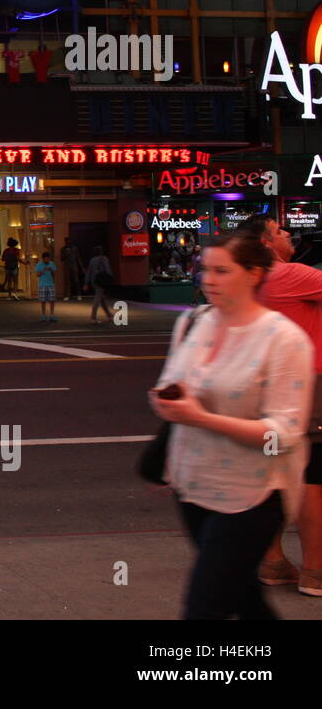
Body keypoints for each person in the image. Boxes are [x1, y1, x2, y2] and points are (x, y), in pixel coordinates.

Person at [149, 232, 313, 619]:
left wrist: (201, 417)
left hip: (252, 495)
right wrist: (168, 400)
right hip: (191, 486)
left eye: (223, 271)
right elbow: (172, 386)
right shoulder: (192, 323)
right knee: (243, 598)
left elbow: (283, 435)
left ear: (255, 274)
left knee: (204, 606)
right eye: (205, 269)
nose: (209, 280)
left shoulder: (283, 340)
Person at [243, 216, 322, 594]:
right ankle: (316, 571)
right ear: (266, 242)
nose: (288, 233)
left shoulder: (247, 281)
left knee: (272, 478)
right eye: (279, 230)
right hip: (308, 385)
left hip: (262, 388)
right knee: (312, 480)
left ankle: (272, 561)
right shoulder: (293, 274)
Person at [86, 245, 112, 324]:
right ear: (101, 251)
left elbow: (88, 272)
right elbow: (107, 270)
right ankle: (93, 317)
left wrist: (86, 283)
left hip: (94, 281)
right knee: (98, 298)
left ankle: (109, 315)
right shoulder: (104, 258)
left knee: (101, 298)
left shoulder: (92, 260)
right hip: (101, 281)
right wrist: (111, 277)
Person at [34, 251, 58, 323]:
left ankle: (52, 315)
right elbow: (37, 275)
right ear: (43, 258)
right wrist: (43, 271)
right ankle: (43, 315)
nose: (47, 260)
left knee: (52, 300)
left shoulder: (52, 264)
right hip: (42, 285)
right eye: (46, 259)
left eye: (48, 259)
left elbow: (55, 273)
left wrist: (51, 270)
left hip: (50, 284)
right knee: (43, 301)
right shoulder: (39, 264)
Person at [60, 237, 83, 301]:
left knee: (76, 281)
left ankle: (79, 295)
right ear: (65, 242)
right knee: (67, 281)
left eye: (69, 241)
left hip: (74, 265)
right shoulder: (63, 249)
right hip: (66, 266)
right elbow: (61, 259)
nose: (68, 242)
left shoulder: (75, 248)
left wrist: (81, 266)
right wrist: (65, 254)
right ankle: (67, 295)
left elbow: (78, 258)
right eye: (67, 241)